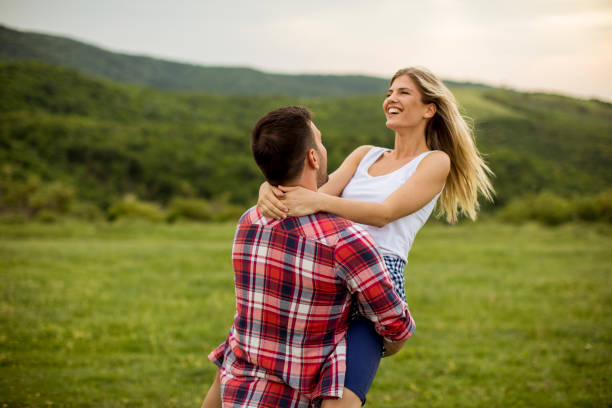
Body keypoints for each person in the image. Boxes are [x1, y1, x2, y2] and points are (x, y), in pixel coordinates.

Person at [258, 67, 495, 405]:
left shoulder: (434, 162)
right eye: (389, 92)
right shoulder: (364, 154)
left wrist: (320, 201)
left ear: (429, 108)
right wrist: (269, 186)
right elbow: (310, 189)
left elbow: (385, 214)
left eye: (403, 92)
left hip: (378, 278)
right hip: (328, 269)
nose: (391, 99)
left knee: (342, 398)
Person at [201, 106, 415, 408]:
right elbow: (397, 328)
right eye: (320, 140)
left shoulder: (248, 221)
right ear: (312, 158)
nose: (323, 147)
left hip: (238, 396)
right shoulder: (345, 240)